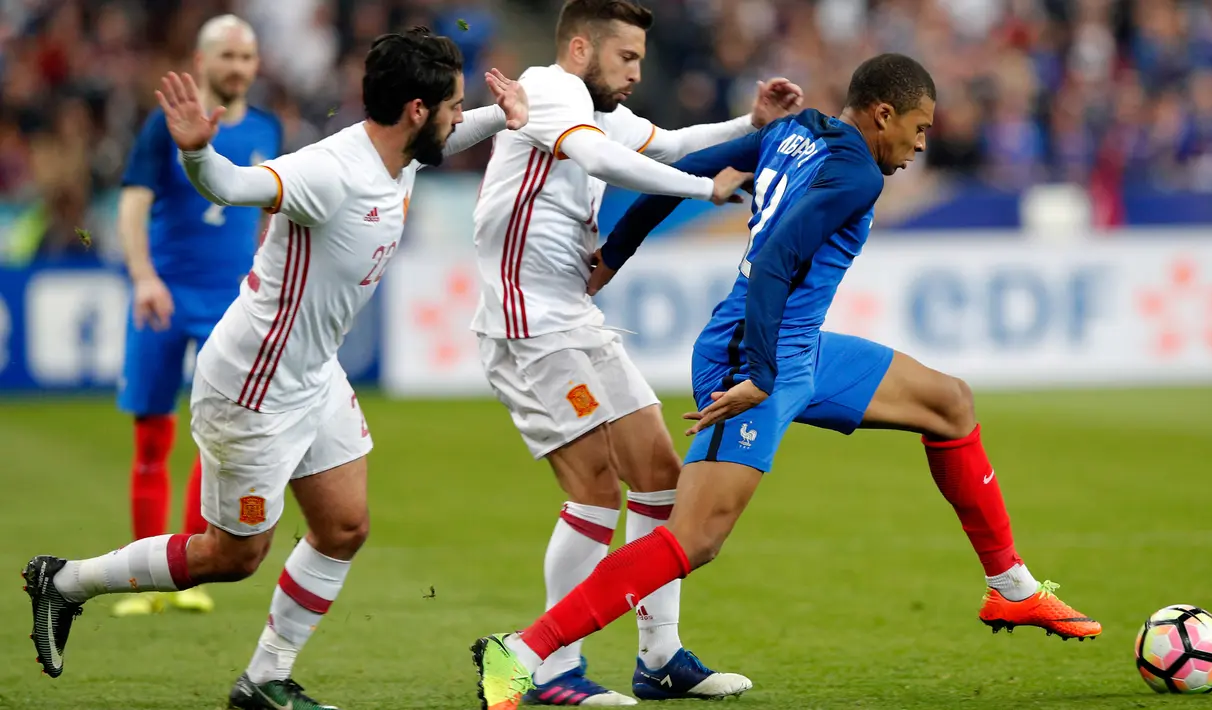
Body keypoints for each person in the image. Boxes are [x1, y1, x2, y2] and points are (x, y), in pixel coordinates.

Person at [471, 53, 1102, 710]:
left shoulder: (791, 130)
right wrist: (760, 375)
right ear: (882, 114)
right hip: (753, 352)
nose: (921, 144)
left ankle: (1012, 587)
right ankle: (522, 653)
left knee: (948, 402)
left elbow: (678, 175)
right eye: (917, 127)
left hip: (796, 347)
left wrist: (614, 254)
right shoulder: (857, 174)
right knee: (695, 538)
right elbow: (773, 260)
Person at [23, 28, 527, 710]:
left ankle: (264, 680)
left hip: (312, 375)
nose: (459, 118)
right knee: (230, 557)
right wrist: (199, 152)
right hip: (251, 388)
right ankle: (64, 582)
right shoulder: (329, 170)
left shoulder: (401, 153)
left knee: (344, 525)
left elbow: (454, 137)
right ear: (416, 109)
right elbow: (232, 185)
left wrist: (509, 114)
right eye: (454, 105)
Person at [469, 0, 802, 703]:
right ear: (582, 48)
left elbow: (670, 141)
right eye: (627, 58)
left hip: (571, 318)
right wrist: (698, 191)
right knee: (594, 490)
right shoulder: (551, 92)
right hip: (527, 327)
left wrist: (752, 124)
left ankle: (659, 658)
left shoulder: (590, 106)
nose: (636, 72)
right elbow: (601, 160)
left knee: (658, 474)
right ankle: (551, 672)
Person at [113, 13, 281, 620]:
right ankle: (137, 576)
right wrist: (143, 277)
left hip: (234, 306)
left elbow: (272, 212)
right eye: (227, 57)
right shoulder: (164, 128)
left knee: (216, 441)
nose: (237, 67)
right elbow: (133, 204)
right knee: (152, 437)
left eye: (246, 57)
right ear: (203, 61)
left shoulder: (268, 127)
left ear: (255, 65)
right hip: (165, 298)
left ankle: (184, 573)